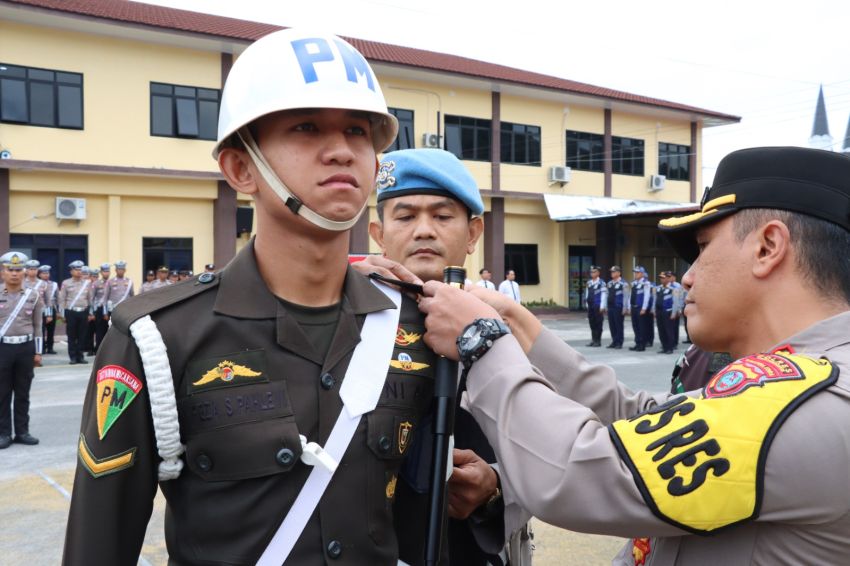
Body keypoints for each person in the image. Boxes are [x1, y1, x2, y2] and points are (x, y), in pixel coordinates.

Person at [64, 28, 440, 565]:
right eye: (307, 127)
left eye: (358, 131)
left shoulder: (414, 325)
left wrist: (486, 489)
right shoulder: (157, 338)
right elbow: (97, 547)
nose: (341, 150)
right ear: (242, 169)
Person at [417, 146, 850, 565]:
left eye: (702, 246)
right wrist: (522, 328)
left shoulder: (800, 404)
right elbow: (645, 417)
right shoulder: (796, 384)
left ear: (767, 246)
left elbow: (577, 471)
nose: (689, 277)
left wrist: (482, 341)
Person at [354, 147, 532, 565]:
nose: (424, 230)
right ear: (379, 234)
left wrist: (497, 486)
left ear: (472, 234)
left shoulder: (503, 329)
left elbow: (548, 453)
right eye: (405, 216)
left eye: (442, 216)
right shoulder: (349, 323)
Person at [0, 252, 43, 449]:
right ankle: (4, 433)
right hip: (3, 348)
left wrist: (38, 352)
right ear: (3, 272)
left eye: (18, 270)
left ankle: (22, 431)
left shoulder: (33, 296)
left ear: (24, 272)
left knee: (23, 392)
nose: (14, 274)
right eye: (10, 269)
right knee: (2, 393)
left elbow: (37, 326)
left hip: (25, 348)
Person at [57, 260, 94, 365]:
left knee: (82, 335)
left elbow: (90, 299)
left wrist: (91, 313)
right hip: (71, 312)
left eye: (80, 269)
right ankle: (73, 357)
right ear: (71, 271)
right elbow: (62, 299)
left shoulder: (87, 283)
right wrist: (62, 314)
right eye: (76, 270)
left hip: (83, 311)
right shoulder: (66, 283)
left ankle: (80, 356)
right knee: (72, 335)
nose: (78, 272)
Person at [605, 265, 629, 349]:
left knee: (619, 325)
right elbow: (607, 295)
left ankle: (619, 342)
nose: (612, 273)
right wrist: (606, 307)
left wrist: (625, 308)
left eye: (614, 272)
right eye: (611, 272)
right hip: (610, 306)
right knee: (612, 325)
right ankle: (614, 341)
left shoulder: (623, 283)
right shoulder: (609, 283)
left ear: (619, 273)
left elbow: (626, 297)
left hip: (618, 307)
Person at [628, 266, 652, 352]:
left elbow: (646, 296)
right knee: (635, 326)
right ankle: (637, 343)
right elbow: (631, 295)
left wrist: (644, 308)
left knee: (641, 327)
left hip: (640, 308)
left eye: (637, 273)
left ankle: (642, 344)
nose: (635, 274)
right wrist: (629, 306)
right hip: (633, 307)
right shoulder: (634, 283)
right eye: (635, 272)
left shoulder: (646, 283)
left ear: (642, 274)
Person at [37, 265, 58, 355]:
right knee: (40, 330)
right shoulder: (37, 284)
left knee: (51, 330)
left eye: (47, 273)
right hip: (39, 310)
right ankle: (41, 348)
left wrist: (57, 311)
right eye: (44, 273)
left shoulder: (53, 284)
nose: (46, 275)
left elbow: (57, 298)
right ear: (40, 274)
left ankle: (50, 347)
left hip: (51, 308)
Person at [584, 265, 607, 347]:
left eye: (594, 272)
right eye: (591, 272)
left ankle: (598, 341)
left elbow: (604, 295)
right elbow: (587, 293)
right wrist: (587, 304)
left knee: (598, 323)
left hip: (598, 306)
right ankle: (593, 340)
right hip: (590, 306)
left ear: (598, 273)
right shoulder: (589, 282)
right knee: (592, 323)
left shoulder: (602, 283)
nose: (592, 273)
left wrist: (602, 306)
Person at [91, 263, 111, 354]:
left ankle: (109, 349)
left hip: (110, 310)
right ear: (101, 272)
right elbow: (92, 298)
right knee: (100, 330)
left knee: (110, 330)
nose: (106, 273)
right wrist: (91, 312)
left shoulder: (112, 282)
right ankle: (99, 349)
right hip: (99, 309)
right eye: (104, 271)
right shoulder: (96, 283)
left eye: (108, 271)